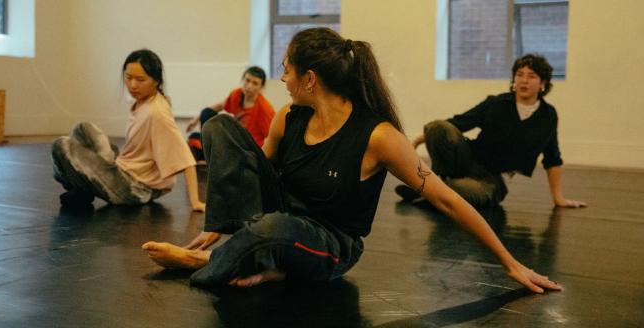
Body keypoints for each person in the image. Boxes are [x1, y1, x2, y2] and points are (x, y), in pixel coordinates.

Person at [142, 28, 560, 294]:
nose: (282, 78)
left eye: (287, 70)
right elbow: (256, 174)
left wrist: (511, 263)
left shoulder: (378, 136)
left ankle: (212, 264)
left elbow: (449, 200)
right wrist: (221, 219)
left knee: (272, 228)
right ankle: (260, 259)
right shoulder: (290, 116)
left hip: (330, 246)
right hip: (279, 218)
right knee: (218, 126)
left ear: (310, 78)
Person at [395, 54, 587, 209]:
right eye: (520, 74)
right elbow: (458, 123)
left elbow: (552, 158)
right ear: (513, 79)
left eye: (531, 76)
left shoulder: (548, 116)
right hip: (467, 158)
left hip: (492, 179)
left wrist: (558, 197)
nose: (524, 80)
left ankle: (427, 192)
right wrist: (416, 141)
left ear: (543, 83)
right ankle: (434, 187)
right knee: (437, 127)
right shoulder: (496, 103)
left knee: (463, 191)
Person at [52, 49, 205, 212]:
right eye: (128, 77)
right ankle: (85, 187)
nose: (132, 85)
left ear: (156, 81)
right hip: (125, 169)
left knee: (61, 145)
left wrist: (195, 202)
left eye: (140, 80)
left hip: (135, 187)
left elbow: (187, 160)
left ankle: (83, 189)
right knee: (82, 129)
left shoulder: (157, 112)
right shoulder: (142, 102)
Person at [185, 66, 275, 161]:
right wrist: (196, 119)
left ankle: (210, 156)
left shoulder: (265, 109)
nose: (249, 86)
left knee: (197, 143)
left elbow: (272, 138)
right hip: (231, 141)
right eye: (247, 80)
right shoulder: (237, 94)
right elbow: (219, 106)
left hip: (246, 151)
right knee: (204, 117)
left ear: (261, 88)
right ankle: (211, 155)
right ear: (242, 79)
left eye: (255, 83)